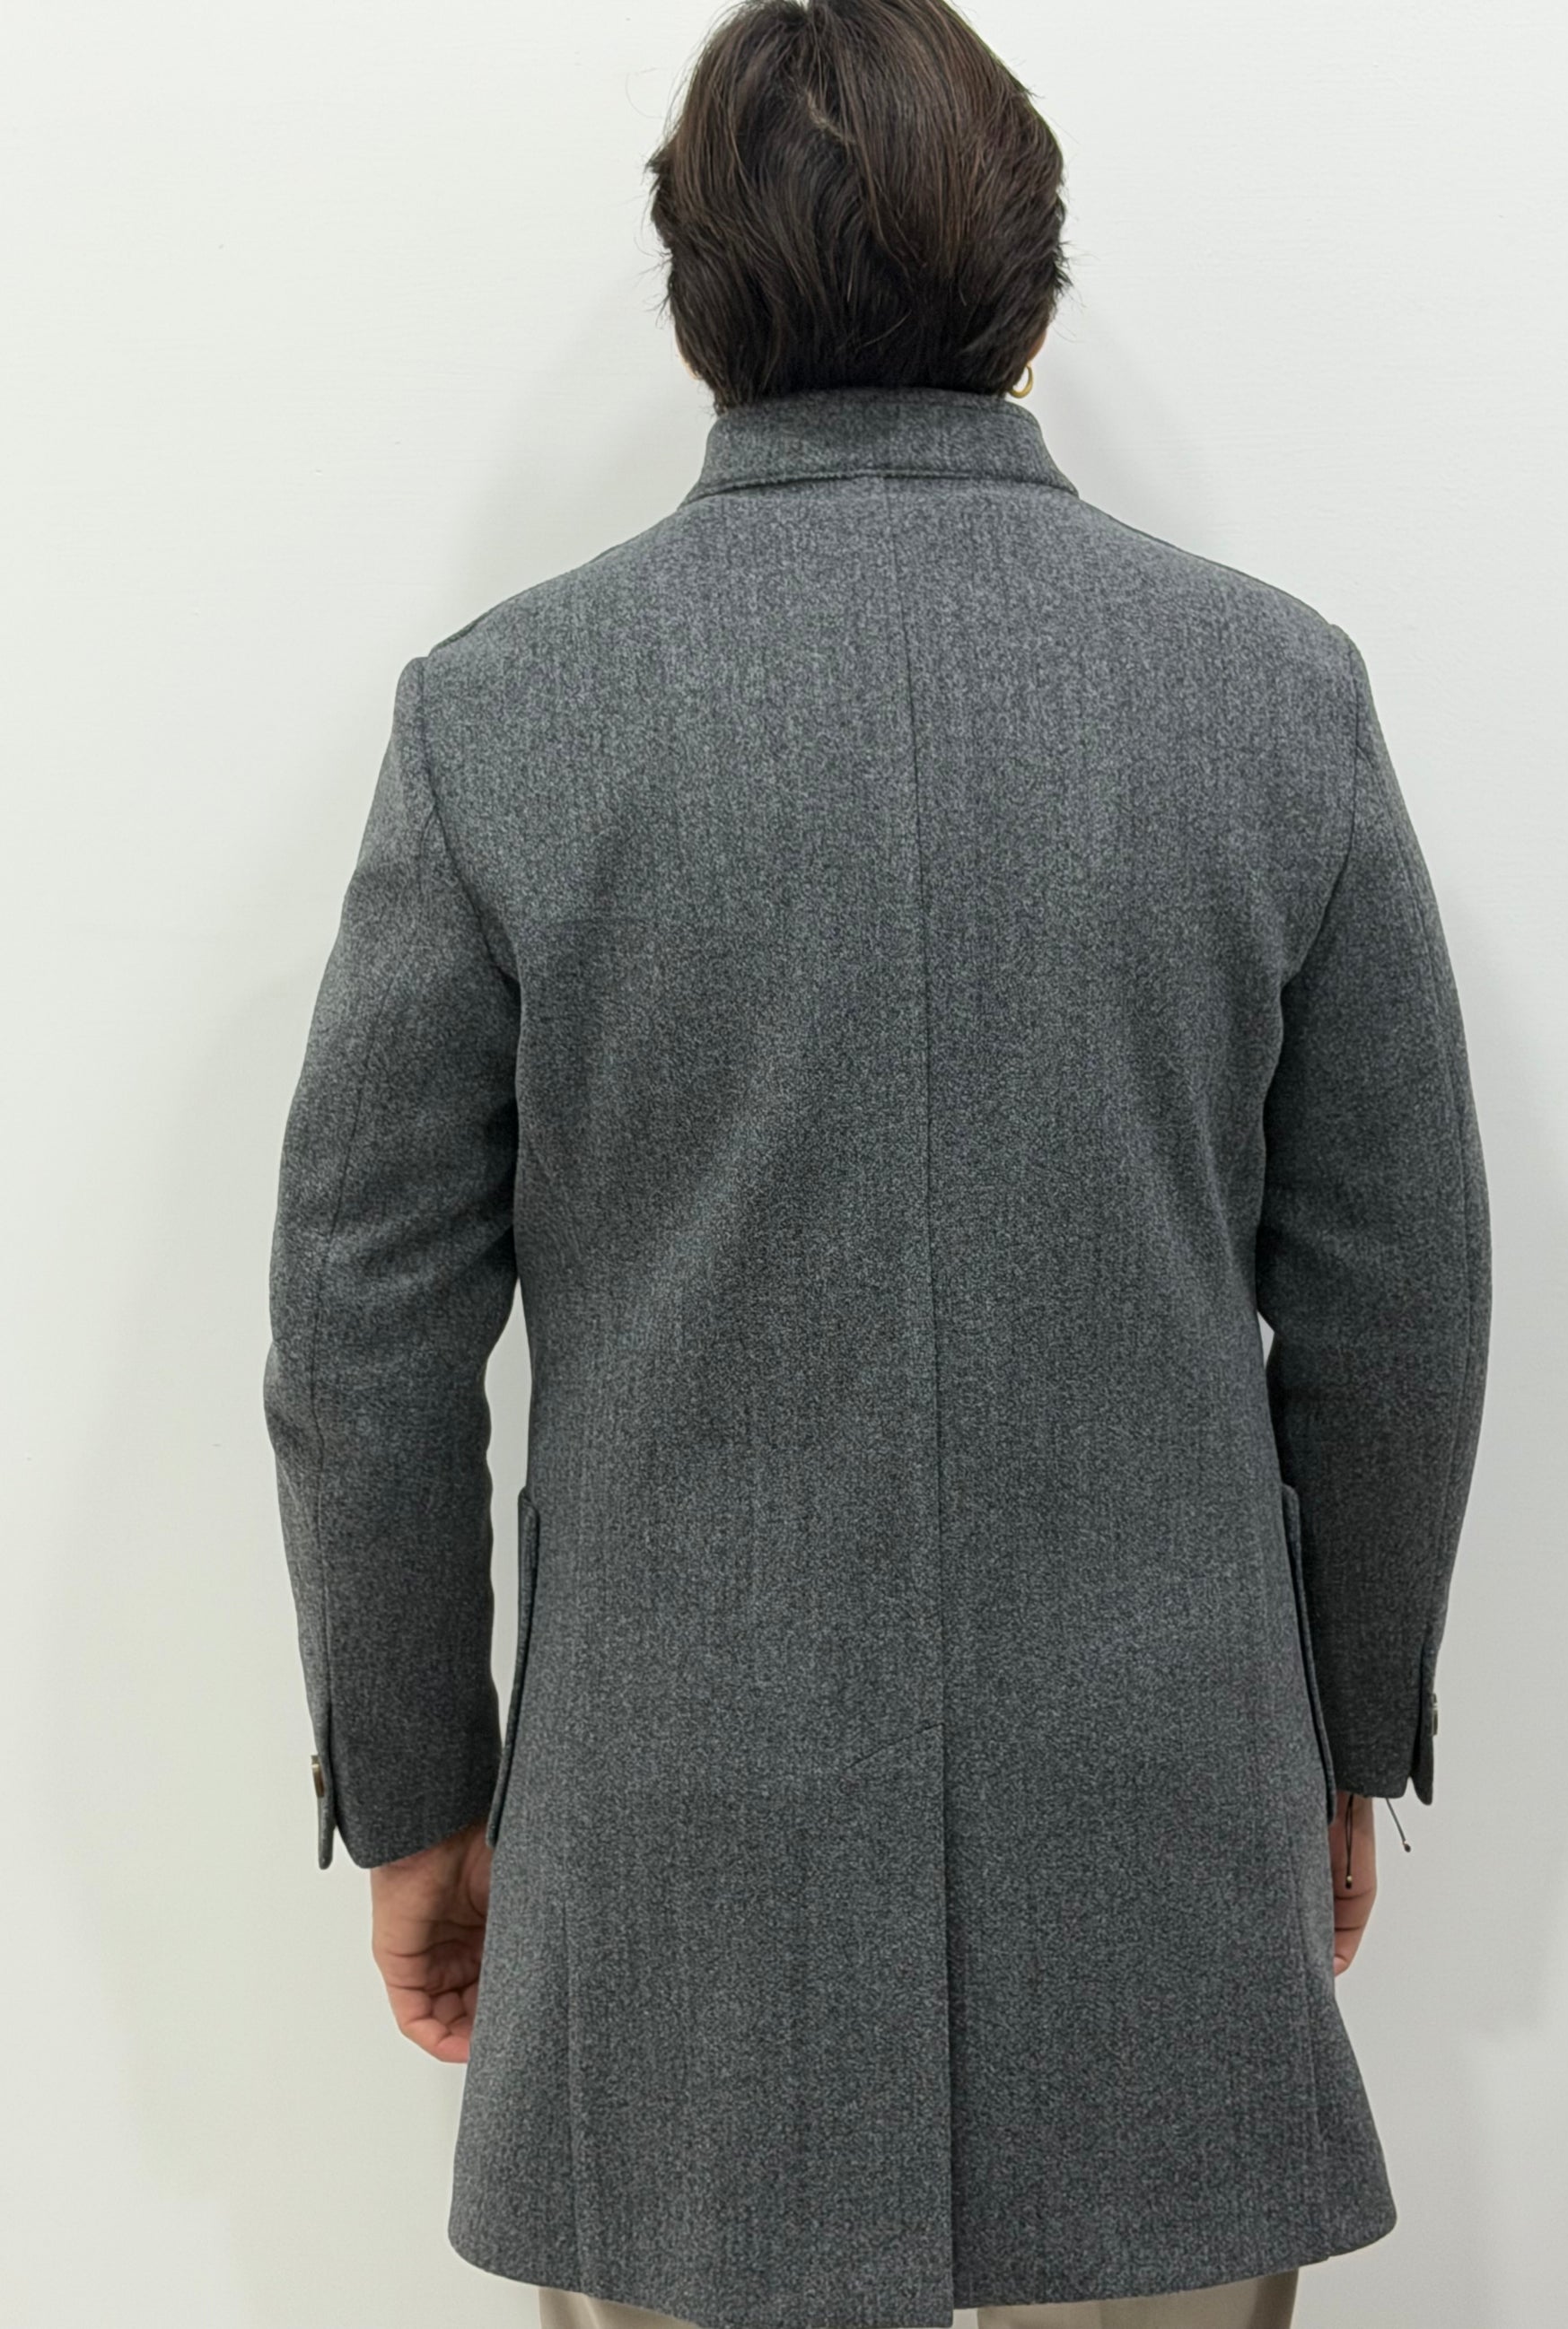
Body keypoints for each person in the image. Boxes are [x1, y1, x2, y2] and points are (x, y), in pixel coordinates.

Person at [261, 2, 1492, 2326]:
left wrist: (416, 1796)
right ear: (1030, 286)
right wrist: (1347, 1729)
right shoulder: (1272, 698)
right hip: (1156, 1842)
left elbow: (361, 1334)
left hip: (678, 1905)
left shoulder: (503, 716)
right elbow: (1395, 1293)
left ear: (695, 301)